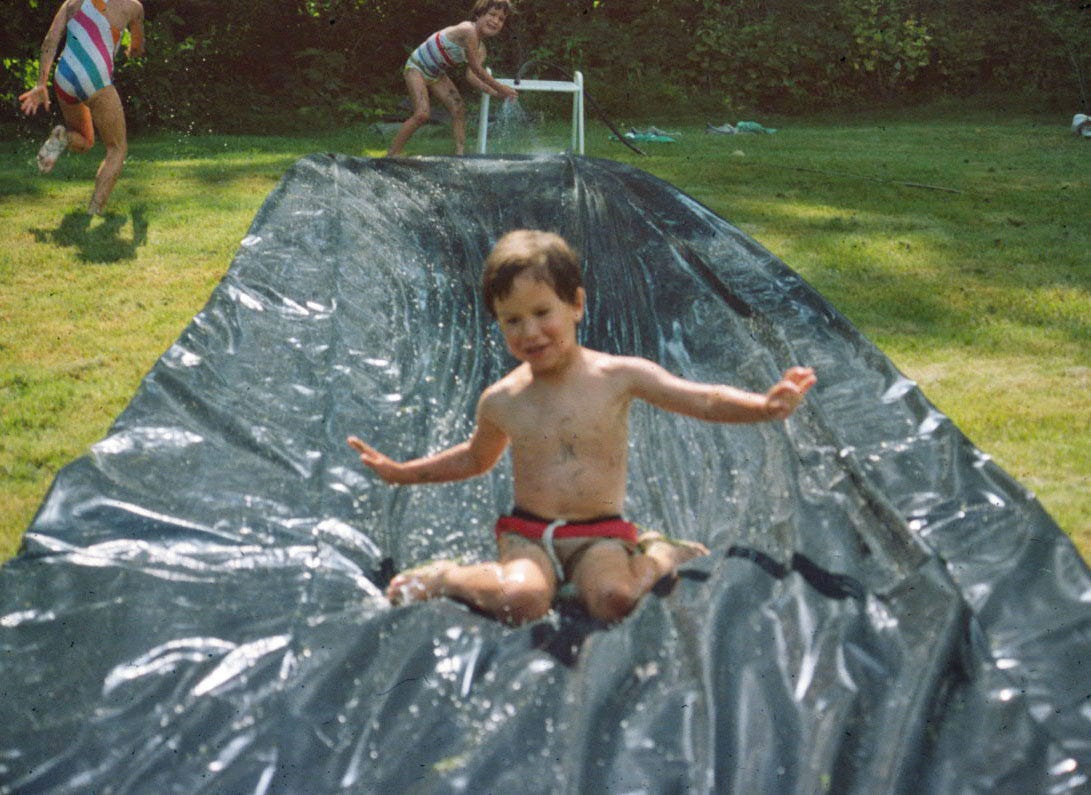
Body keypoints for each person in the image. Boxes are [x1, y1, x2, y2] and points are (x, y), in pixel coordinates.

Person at [348, 230, 817, 625]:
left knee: (615, 601)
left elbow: (702, 399)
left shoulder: (618, 376)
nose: (530, 332)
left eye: (541, 312)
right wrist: (403, 472)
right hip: (528, 534)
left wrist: (763, 406)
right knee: (523, 601)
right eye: (512, 320)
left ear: (576, 305)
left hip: (601, 534)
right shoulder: (503, 399)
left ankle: (658, 552)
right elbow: (475, 457)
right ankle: (447, 576)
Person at [18, 0, 144, 215]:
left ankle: (63, 138)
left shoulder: (73, 2)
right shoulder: (133, 7)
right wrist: (131, 50)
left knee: (84, 140)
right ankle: (94, 209)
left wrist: (41, 83)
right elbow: (137, 48)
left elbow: (50, 40)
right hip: (96, 79)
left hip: (64, 77)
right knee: (117, 148)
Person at [387, 0, 519, 157]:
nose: (495, 21)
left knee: (458, 109)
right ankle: (391, 156)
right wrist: (501, 87)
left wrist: (496, 93)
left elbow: (471, 76)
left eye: (501, 19)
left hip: (436, 74)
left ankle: (459, 156)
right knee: (422, 114)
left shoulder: (481, 49)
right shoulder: (468, 30)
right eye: (492, 14)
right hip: (416, 68)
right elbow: (477, 69)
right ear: (479, 14)